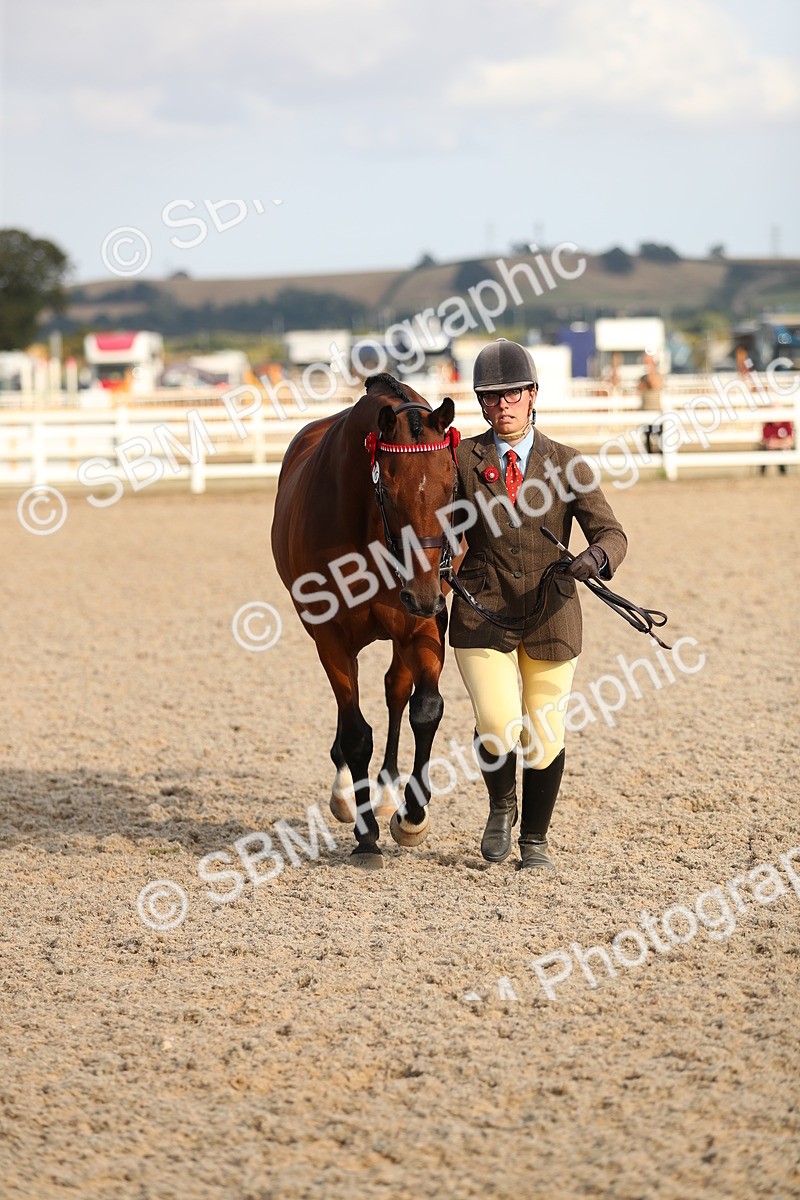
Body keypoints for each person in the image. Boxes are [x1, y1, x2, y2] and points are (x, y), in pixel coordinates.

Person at [450, 339, 628, 871]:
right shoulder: (460, 460)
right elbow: (435, 525)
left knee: (545, 733)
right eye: (489, 397)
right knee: (499, 723)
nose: (500, 405)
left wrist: (594, 557)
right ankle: (501, 803)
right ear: (481, 403)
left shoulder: (568, 464)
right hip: (482, 611)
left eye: (510, 394)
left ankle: (535, 842)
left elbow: (612, 532)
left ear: (531, 395)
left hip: (552, 614)